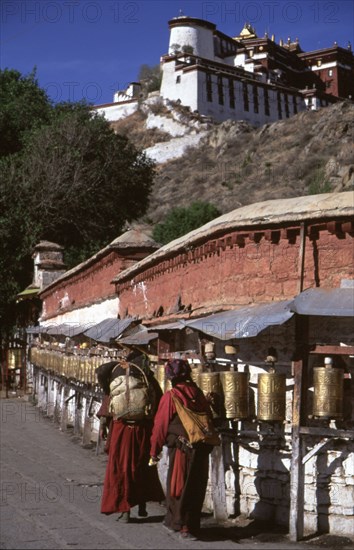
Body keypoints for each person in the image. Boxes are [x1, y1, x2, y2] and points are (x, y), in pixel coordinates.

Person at [149, 358, 215, 541]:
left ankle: (182, 524)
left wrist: (154, 450)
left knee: (179, 485)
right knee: (195, 485)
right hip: (200, 449)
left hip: (181, 449)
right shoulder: (198, 393)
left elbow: (160, 425)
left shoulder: (172, 396)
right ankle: (187, 524)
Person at [96, 350, 165, 523]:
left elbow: (108, 403)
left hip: (120, 430)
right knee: (142, 466)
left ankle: (125, 509)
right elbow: (157, 404)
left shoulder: (117, 375)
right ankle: (142, 505)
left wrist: (103, 426)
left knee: (121, 468)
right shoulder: (147, 378)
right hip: (142, 429)